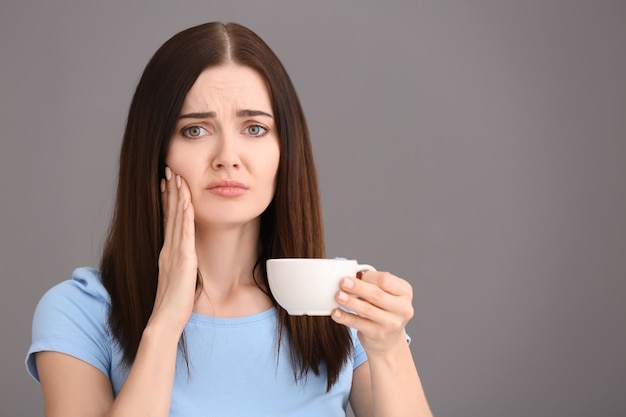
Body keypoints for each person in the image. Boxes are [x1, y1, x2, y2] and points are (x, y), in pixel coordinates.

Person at [25, 22, 433, 417]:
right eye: (195, 131)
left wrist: (390, 347)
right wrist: (165, 323)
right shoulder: (80, 311)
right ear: (154, 152)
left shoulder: (340, 301)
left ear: (285, 152)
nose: (228, 157)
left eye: (254, 128)